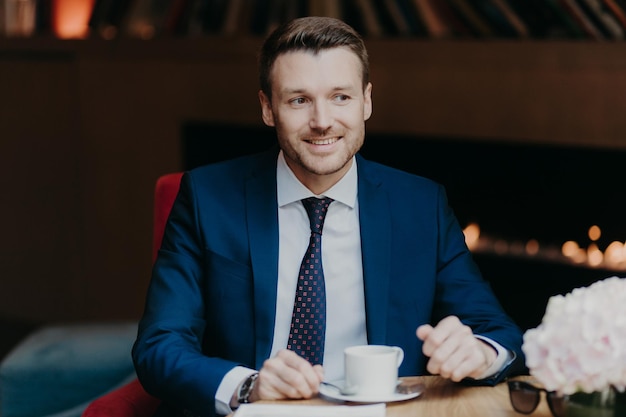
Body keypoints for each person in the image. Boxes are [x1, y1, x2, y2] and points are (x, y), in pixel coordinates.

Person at [132, 16, 526, 417]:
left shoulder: (421, 205)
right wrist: (250, 385)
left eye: (340, 97)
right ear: (268, 108)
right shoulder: (206, 197)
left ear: (366, 101)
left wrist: (479, 352)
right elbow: (159, 345)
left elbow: (499, 332)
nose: (322, 121)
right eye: (299, 100)